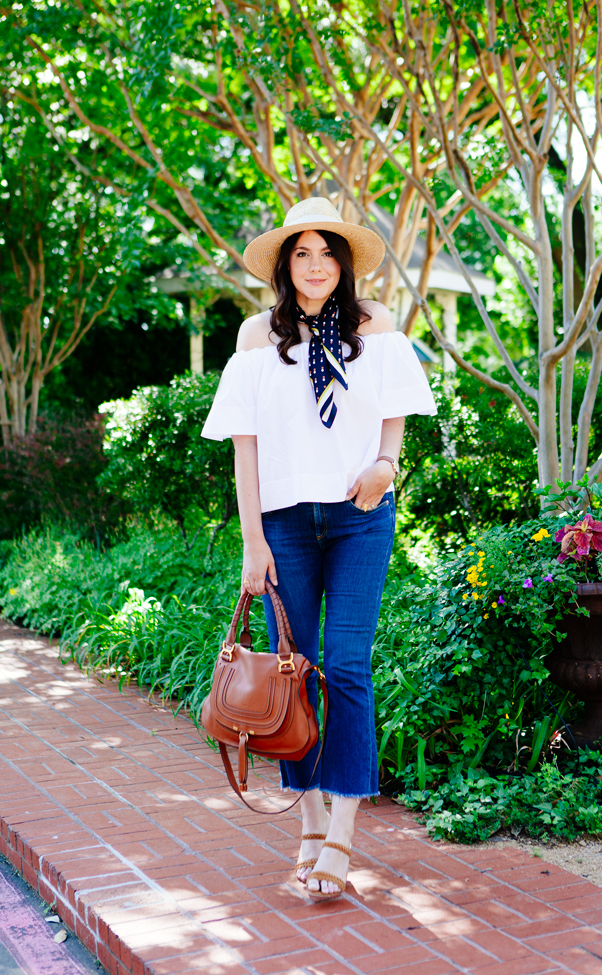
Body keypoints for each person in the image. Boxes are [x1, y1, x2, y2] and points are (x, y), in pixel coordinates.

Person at [202, 198, 436, 901]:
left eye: (325, 252)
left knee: (347, 664)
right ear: (284, 264)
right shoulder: (253, 337)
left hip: (361, 515)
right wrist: (252, 542)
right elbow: (244, 447)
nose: (314, 265)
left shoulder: (377, 328)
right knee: (291, 669)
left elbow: (394, 417)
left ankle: (342, 834)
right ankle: (308, 823)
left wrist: (386, 466)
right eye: (300, 253)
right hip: (285, 525)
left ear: (343, 261)